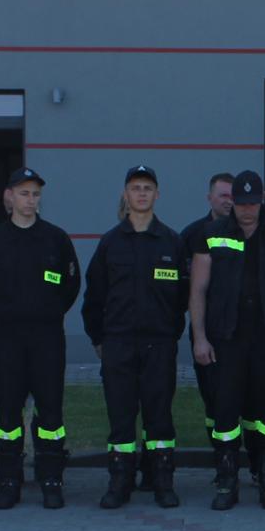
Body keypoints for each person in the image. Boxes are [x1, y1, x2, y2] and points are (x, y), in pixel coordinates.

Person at [189, 170, 265, 511]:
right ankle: (227, 479)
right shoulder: (211, 234)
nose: (246, 210)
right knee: (225, 410)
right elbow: (197, 289)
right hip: (225, 338)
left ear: (263, 199)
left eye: (252, 203)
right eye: (240, 203)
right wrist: (199, 337)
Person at [82, 165, 191, 509]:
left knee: (159, 415)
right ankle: (120, 481)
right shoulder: (111, 243)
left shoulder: (172, 242)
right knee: (121, 416)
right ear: (125, 195)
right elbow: (94, 296)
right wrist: (99, 339)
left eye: (147, 188)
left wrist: (171, 334)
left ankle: (161, 481)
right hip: (118, 344)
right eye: (135, 188)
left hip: (159, 344)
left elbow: (184, 297)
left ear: (157, 195)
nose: (141, 193)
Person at [0, 167, 81, 510]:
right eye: (23, 193)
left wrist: (46, 314)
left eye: (35, 194)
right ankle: (9, 479)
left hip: (47, 339)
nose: (30, 200)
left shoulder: (56, 239)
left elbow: (70, 286)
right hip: (7, 341)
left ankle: (51, 478)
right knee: (7, 413)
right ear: (10, 196)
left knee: (50, 412)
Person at [177, 172, 236, 457]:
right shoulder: (192, 235)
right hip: (206, 329)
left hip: (240, 330)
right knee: (212, 396)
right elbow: (180, 285)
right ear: (209, 198)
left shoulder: (248, 231)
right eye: (223, 195)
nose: (229, 201)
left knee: (244, 398)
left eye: (233, 195)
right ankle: (220, 456)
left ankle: (248, 460)